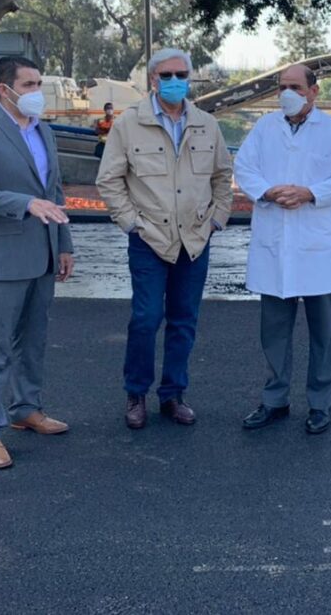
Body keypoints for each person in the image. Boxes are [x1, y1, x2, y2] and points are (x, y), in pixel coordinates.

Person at [96, 48, 233, 430]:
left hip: (195, 239)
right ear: (153, 79)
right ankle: (136, 393)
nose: (175, 81)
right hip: (149, 239)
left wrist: (216, 220)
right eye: (167, 75)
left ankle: (173, 394)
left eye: (181, 74)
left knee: (184, 320)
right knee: (146, 318)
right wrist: (130, 223)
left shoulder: (206, 124)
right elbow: (109, 179)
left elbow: (222, 176)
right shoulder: (129, 124)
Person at [0, 56, 75, 470]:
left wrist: (64, 244)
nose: (37, 92)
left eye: (39, 83)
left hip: (44, 253)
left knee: (34, 339)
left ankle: (26, 408)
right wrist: (25, 203)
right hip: (3, 257)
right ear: (3, 90)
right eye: (29, 85)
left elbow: (54, 191)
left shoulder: (44, 130)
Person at [234, 64, 331, 435]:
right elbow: (244, 167)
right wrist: (267, 191)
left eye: (295, 87)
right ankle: (274, 400)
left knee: (324, 332)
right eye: (282, 87)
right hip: (275, 242)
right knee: (274, 331)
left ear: (314, 91)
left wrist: (310, 193)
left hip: (315, 244)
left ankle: (320, 404)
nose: (286, 94)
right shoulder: (264, 128)